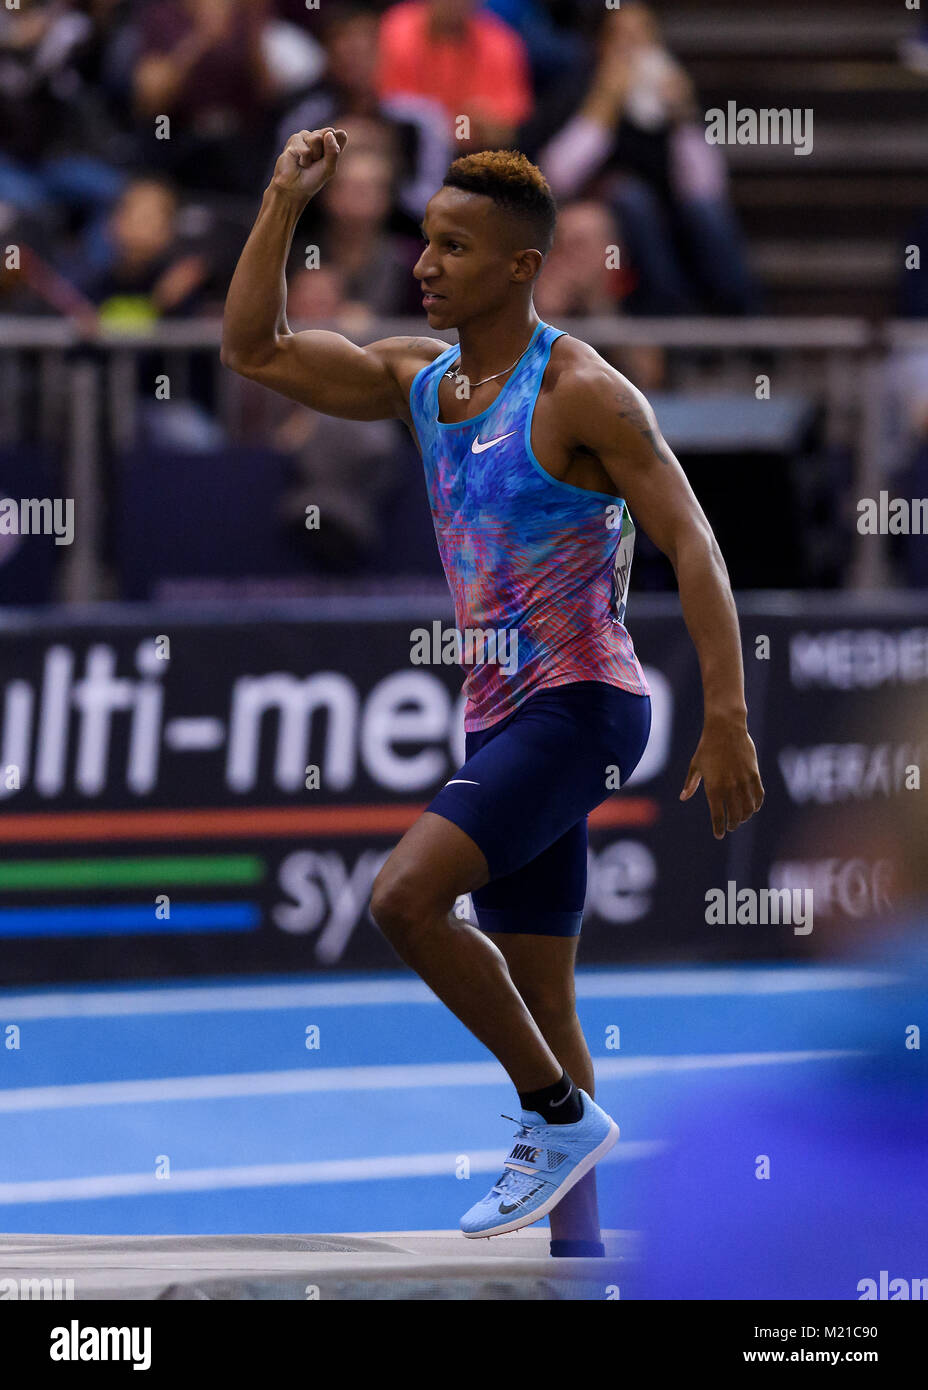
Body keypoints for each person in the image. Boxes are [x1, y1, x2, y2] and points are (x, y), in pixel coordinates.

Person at [221, 127, 765, 1256]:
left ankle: (556, 1117)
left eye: (454, 246)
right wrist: (282, 198)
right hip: (499, 712)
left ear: (521, 267)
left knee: (404, 899)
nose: (425, 263)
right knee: (548, 1000)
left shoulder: (581, 394)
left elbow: (694, 542)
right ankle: (580, 1254)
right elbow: (255, 350)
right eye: (425, 239)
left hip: (584, 706)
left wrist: (726, 713)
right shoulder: (421, 382)